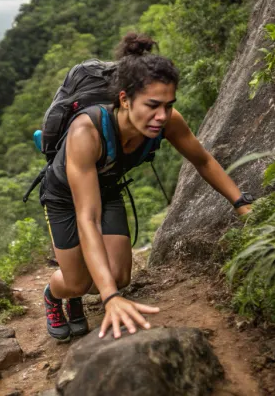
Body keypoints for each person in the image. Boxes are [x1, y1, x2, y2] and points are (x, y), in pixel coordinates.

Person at [40, 32, 253, 342]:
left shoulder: (166, 122)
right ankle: (54, 294)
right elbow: (88, 218)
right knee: (76, 282)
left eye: (168, 106)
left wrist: (242, 205)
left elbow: (203, 161)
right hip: (63, 197)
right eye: (153, 105)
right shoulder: (86, 132)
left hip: (106, 186)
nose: (161, 116)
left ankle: (82, 286)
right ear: (124, 99)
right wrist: (111, 299)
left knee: (119, 276)